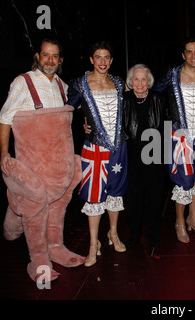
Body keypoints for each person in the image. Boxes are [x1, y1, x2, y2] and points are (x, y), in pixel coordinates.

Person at [0, 37, 85, 282]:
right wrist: (4, 153)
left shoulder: (63, 86)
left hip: (59, 169)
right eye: (45, 55)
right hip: (33, 168)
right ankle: (38, 259)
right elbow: (5, 119)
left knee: (56, 207)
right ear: (38, 56)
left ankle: (55, 247)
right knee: (35, 207)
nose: (50, 60)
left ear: (60, 60)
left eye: (55, 56)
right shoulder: (22, 82)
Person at [67, 41, 128, 267]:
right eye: (98, 57)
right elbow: (67, 109)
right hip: (93, 149)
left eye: (106, 57)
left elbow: (137, 98)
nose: (102, 61)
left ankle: (113, 233)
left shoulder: (119, 83)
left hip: (118, 147)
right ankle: (94, 244)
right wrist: (80, 127)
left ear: (111, 61)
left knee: (115, 192)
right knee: (94, 196)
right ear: (91, 60)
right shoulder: (81, 84)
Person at [155, 38, 195, 243]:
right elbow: (153, 91)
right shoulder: (172, 74)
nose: (193, 56)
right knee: (183, 180)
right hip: (179, 135)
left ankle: (194, 218)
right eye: (189, 52)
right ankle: (180, 221)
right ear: (182, 55)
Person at [123, 64, 166, 248]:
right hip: (131, 157)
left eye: (143, 79)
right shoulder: (123, 100)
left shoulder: (159, 99)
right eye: (136, 79)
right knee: (133, 199)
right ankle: (134, 234)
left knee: (155, 198)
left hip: (154, 157)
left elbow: (168, 127)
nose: (140, 83)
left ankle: (153, 233)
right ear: (130, 82)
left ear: (149, 82)